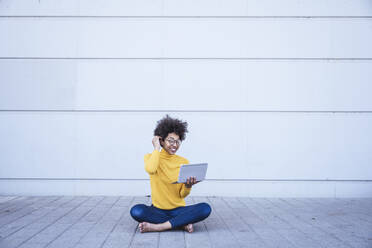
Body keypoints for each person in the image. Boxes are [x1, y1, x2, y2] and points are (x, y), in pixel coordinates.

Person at [130, 114, 212, 233]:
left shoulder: (183, 162)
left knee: (205, 208)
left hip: (178, 209)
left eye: (178, 141)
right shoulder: (151, 157)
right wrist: (156, 148)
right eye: (170, 140)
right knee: (137, 211)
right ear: (161, 140)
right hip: (157, 210)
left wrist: (188, 186)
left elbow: (181, 195)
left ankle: (159, 227)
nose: (175, 145)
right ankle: (181, 223)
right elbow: (151, 169)